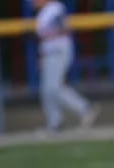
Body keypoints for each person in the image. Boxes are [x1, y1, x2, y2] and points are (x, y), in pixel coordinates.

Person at [32, 0, 100, 132]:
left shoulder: (55, 7)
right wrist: (42, 56)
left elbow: (63, 28)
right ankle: (55, 122)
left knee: (53, 88)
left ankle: (84, 108)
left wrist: (49, 33)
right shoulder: (43, 13)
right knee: (48, 89)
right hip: (49, 53)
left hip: (58, 51)